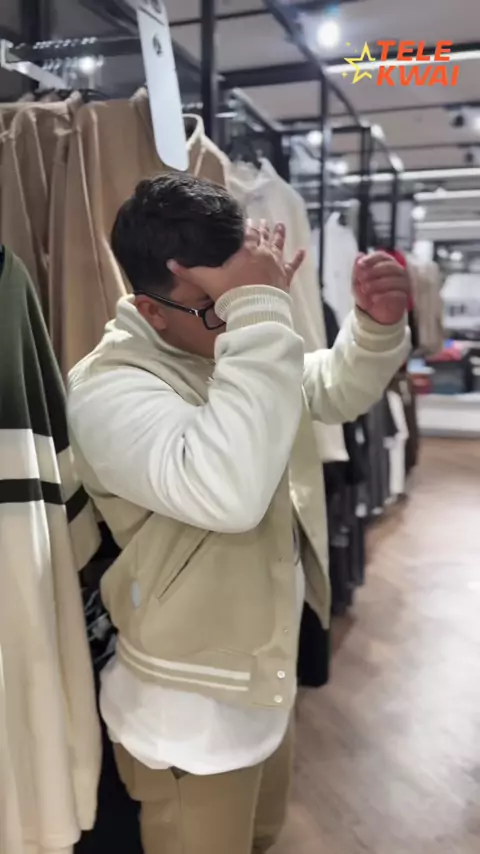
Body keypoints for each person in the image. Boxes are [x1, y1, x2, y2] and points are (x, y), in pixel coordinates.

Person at [67, 173, 411, 854]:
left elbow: (326, 389)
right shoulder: (108, 388)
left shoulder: (221, 343)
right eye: (211, 306)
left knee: (261, 836)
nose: (229, 318)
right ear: (151, 309)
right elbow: (230, 491)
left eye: (241, 297)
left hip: (258, 678)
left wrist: (374, 330)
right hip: (184, 709)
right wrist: (256, 306)